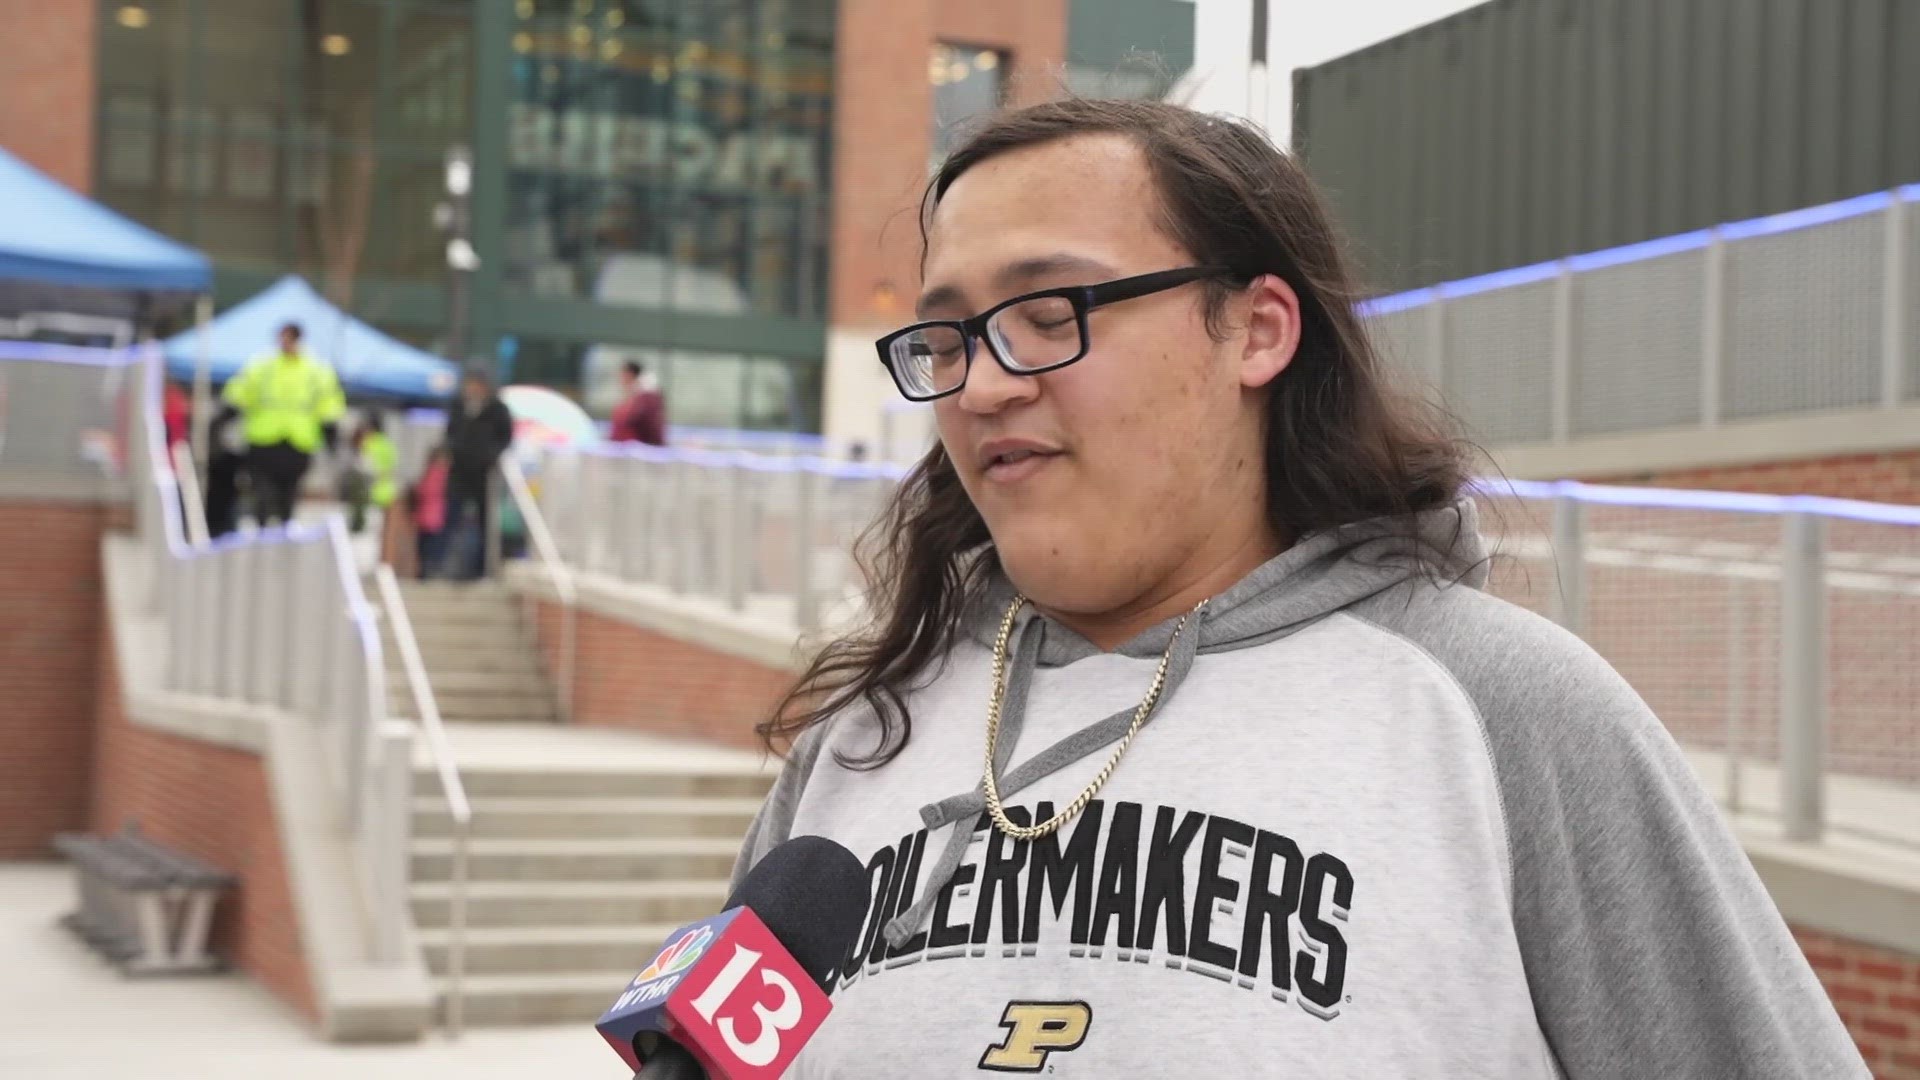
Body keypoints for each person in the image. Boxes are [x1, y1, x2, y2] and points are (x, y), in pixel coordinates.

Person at [728, 100, 1866, 1078]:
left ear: (1258, 330)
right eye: (949, 337)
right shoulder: (859, 742)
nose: (979, 386)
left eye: (1048, 315)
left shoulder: (1508, 712)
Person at [221, 321, 345, 527]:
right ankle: (263, 536)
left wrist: (330, 429)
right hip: (264, 439)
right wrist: (228, 412)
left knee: (287, 498)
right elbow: (241, 389)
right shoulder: (263, 366)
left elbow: (329, 401)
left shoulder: (315, 370)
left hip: (297, 442)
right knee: (263, 496)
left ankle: (284, 535)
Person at [439, 368, 513, 579]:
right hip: (460, 471)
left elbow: (505, 438)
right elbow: (450, 433)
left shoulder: (498, 410)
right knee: (451, 518)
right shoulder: (458, 406)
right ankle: (443, 564)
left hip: (484, 473)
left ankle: (481, 568)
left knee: (484, 522)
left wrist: (489, 456)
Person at [339, 408, 398, 535]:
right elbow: (391, 467)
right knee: (378, 531)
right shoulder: (387, 444)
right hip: (384, 492)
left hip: (368, 491)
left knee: (365, 531)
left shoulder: (369, 442)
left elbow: (362, 467)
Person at [608, 359, 667, 445]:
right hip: (622, 445)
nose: (619, 378)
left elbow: (650, 426)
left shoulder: (646, 397)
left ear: (630, 374)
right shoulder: (630, 396)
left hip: (638, 448)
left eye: (622, 374)